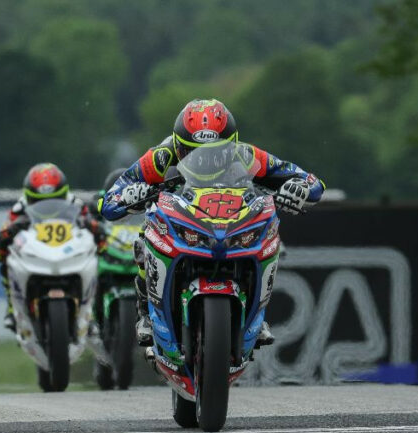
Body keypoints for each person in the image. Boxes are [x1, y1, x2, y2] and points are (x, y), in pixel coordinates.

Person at [99, 99, 325, 347]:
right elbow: (110, 197)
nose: (204, 161)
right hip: (182, 218)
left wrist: (298, 189)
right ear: (178, 146)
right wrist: (130, 195)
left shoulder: (247, 155)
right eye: (193, 152)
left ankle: (256, 315)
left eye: (215, 153)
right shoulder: (160, 158)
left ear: (231, 145)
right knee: (145, 237)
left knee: (269, 238)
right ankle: (146, 312)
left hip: (231, 221)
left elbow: (310, 181)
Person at [0, 163, 105, 332]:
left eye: (54, 199)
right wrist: (2, 242)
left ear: (63, 192)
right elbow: (3, 233)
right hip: (36, 250)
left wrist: (95, 230)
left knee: (97, 262)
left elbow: (92, 224)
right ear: (29, 196)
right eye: (39, 201)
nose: (47, 205)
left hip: (68, 249)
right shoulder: (19, 207)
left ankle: (91, 313)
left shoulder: (75, 203)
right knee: (6, 264)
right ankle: (12, 308)